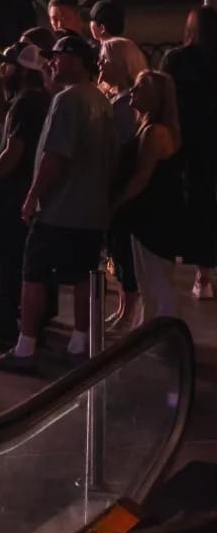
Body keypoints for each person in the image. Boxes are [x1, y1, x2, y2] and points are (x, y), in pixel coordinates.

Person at [0, 34, 119, 375]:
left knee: (33, 275)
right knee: (81, 275)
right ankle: (80, 342)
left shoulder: (67, 100)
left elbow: (55, 156)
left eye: (58, 57)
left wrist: (33, 196)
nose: (53, 63)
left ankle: (26, 345)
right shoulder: (101, 101)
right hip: (91, 210)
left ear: (77, 60)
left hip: (60, 208)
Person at [0, 44, 53, 352]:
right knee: (22, 261)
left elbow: (14, 149)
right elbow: (1, 117)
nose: (2, 70)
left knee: (8, 262)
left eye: (7, 66)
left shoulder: (28, 103)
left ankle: (5, 327)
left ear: (22, 70)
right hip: (24, 190)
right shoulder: (35, 100)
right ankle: (34, 323)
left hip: (11, 192)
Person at [112, 70, 184, 325]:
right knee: (149, 280)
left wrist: (115, 203)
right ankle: (151, 333)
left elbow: (141, 178)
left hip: (152, 217)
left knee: (155, 282)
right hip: (149, 216)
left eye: (140, 87)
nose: (133, 90)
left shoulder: (155, 132)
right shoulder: (148, 127)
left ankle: (161, 335)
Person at [162, 7, 217, 300]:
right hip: (211, 140)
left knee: (183, 200)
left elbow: (165, 98)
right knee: (208, 202)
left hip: (183, 139)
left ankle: (189, 273)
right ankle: (204, 273)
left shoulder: (177, 59)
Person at [97, 34, 150, 326]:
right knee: (115, 248)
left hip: (122, 182)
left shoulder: (128, 102)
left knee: (123, 248)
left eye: (106, 60)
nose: (100, 65)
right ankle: (122, 305)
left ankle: (129, 308)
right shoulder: (113, 97)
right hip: (111, 180)